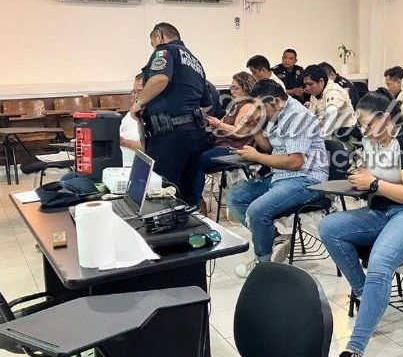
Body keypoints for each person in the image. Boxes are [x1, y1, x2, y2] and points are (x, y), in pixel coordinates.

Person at [318, 91, 403, 357]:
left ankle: (355, 347)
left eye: (368, 124)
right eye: (361, 125)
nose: (364, 131)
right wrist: (362, 178)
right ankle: (365, 294)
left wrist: (374, 183)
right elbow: (376, 175)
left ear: (386, 119)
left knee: (381, 260)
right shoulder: (372, 140)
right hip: (388, 207)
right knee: (329, 228)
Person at [226, 79, 328, 277]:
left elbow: (296, 162)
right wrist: (255, 128)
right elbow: (272, 149)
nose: (260, 112)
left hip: (307, 179)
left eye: (262, 108)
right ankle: (274, 237)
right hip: (281, 175)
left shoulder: (298, 117)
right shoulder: (277, 113)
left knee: (257, 210)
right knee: (235, 197)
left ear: (278, 102)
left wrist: (257, 157)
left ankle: (263, 264)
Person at [131, 22, 212, 204]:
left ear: (159, 36)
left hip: (169, 135)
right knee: (188, 194)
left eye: (153, 42)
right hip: (195, 134)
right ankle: (188, 222)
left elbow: (160, 78)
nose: (153, 47)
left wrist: (139, 103)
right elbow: (207, 104)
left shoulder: (165, 51)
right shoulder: (195, 62)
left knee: (162, 193)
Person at [193, 72, 259, 215]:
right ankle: (195, 200)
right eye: (231, 88)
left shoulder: (248, 107)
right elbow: (221, 125)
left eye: (236, 88)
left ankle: (197, 203)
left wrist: (217, 124)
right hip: (223, 145)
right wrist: (211, 121)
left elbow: (239, 132)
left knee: (196, 162)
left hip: (234, 149)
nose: (232, 91)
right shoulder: (236, 106)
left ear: (246, 88)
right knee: (189, 154)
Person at [302, 64, 356, 138]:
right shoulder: (315, 93)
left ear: (321, 81)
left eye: (310, 84)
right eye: (306, 84)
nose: (307, 88)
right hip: (328, 133)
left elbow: (331, 112)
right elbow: (311, 116)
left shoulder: (334, 91)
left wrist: (318, 139)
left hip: (345, 135)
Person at [119, 73, 144, 167]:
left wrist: (124, 142)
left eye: (140, 91)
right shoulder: (132, 112)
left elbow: (151, 148)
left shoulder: (156, 115)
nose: (135, 96)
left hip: (134, 166)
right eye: (134, 92)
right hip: (119, 163)